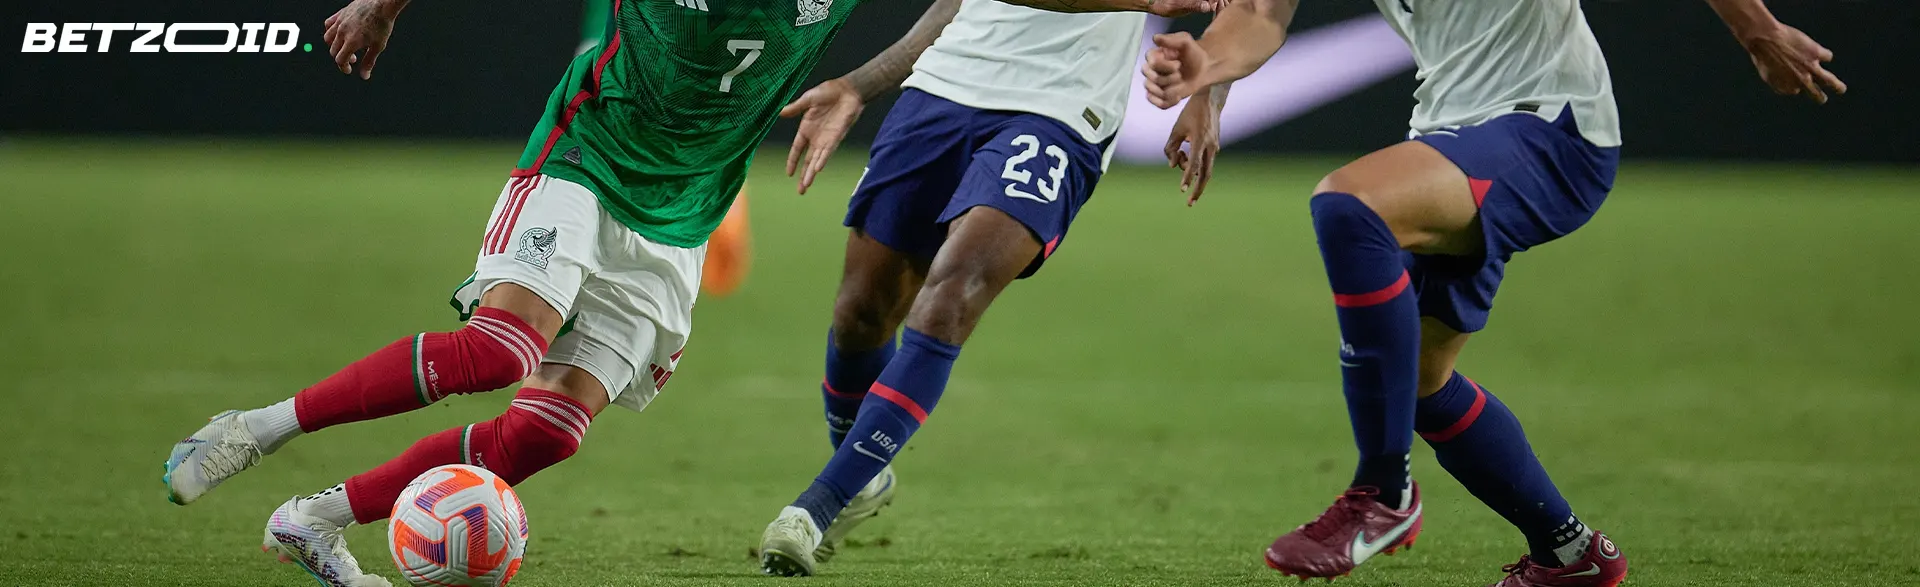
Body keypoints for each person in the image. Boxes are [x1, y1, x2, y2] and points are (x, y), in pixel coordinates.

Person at [1140, 0, 1844, 585]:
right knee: (1416, 382)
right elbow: (1259, 15)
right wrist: (1209, 79)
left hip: (1551, 129)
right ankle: (1567, 552)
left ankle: (1382, 493)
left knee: (1350, 205)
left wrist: (1757, 29)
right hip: (1451, 133)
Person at [750, 0, 1230, 575]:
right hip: (946, 86)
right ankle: (865, 478)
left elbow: (1250, 9)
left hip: (1060, 111)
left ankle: (815, 508)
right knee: (859, 314)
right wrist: (862, 83)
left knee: (951, 298)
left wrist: (1210, 90)